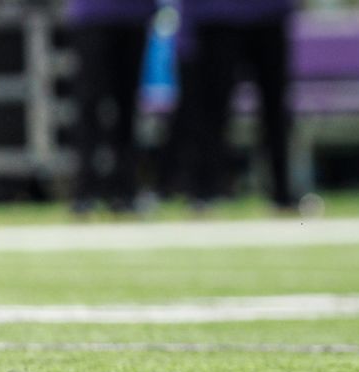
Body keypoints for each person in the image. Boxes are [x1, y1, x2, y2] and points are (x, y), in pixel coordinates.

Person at [173, 0, 295, 208]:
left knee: (275, 109)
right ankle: (205, 188)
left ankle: (282, 189)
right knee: (213, 110)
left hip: (267, 13)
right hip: (217, 14)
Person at [66, 0, 157, 214]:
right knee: (89, 103)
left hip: (133, 13)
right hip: (93, 14)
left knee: (126, 107)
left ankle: (125, 190)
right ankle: (85, 189)